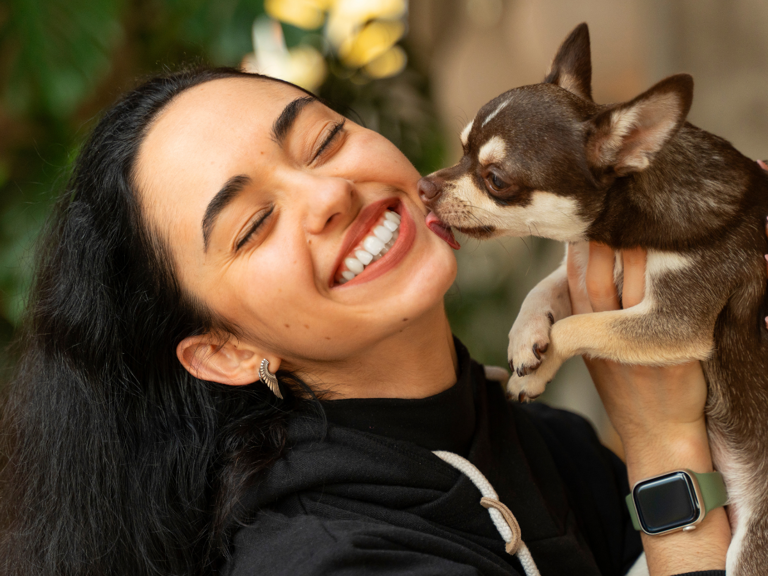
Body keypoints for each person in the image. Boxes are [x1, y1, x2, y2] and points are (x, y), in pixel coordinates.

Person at [4, 66, 761, 576]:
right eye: (255, 222)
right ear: (226, 351)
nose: (329, 193)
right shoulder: (326, 560)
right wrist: (662, 448)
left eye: (325, 139)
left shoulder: (535, 439)